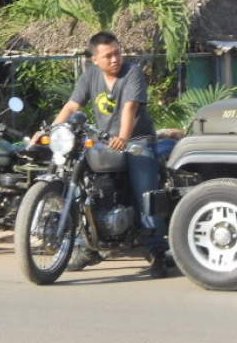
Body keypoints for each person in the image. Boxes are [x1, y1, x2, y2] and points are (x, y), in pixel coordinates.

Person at [48, 31, 168, 278]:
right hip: (103, 141)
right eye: (108, 56)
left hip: (136, 139)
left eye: (117, 52)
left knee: (145, 192)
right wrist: (52, 131)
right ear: (95, 60)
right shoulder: (90, 76)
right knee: (84, 186)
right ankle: (87, 247)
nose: (115, 59)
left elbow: (130, 108)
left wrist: (123, 138)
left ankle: (156, 250)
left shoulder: (131, 72)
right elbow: (71, 106)